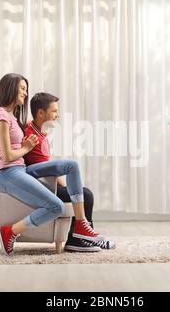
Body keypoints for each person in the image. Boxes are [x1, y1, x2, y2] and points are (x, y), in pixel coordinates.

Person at [0, 73, 105, 256]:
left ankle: (81, 225)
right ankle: (9, 232)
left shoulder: (12, 117)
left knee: (71, 165)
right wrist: (27, 147)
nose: (25, 93)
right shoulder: (0, 115)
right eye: (22, 89)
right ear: (10, 88)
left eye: (26, 90)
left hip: (20, 169)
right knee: (56, 207)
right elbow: (7, 155)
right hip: (5, 172)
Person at [24, 92, 115, 251]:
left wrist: (67, 187)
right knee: (85, 195)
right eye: (54, 111)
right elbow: (46, 171)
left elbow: (47, 166)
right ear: (40, 113)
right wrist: (66, 189)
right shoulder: (33, 138)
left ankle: (85, 237)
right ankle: (79, 240)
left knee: (81, 192)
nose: (57, 115)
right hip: (43, 188)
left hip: (48, 183)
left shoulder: (37, 130)